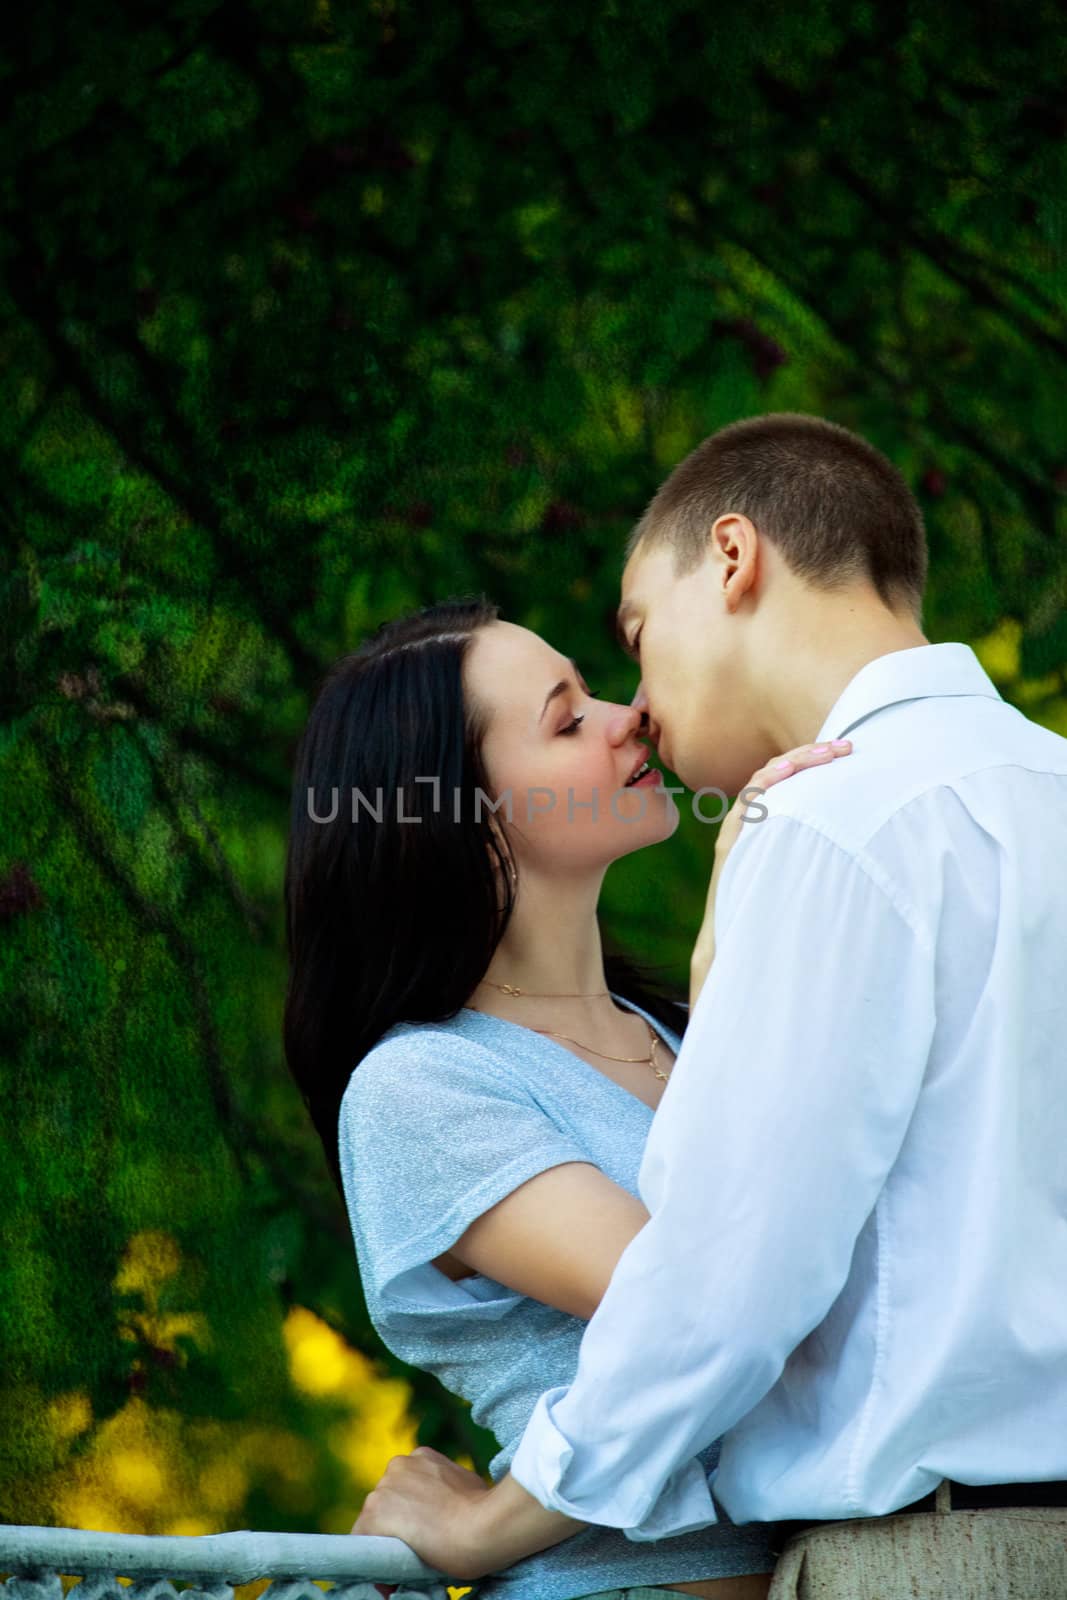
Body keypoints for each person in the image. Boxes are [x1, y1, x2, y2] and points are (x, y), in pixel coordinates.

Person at [351, 413, 1067, 1599]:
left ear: (731, 558)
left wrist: (491, 1525)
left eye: (632, 638)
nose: (635, 708)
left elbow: (722, 1280)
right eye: (568, 712)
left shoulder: (830, 832)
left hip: (929, 1555)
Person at [283, 591, 852, 1600]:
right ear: (463, 822)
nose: (623, 714)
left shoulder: (684, 1029)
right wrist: (733, 917)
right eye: (564, 716)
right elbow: (709, 1301)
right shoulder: (420, 1087)